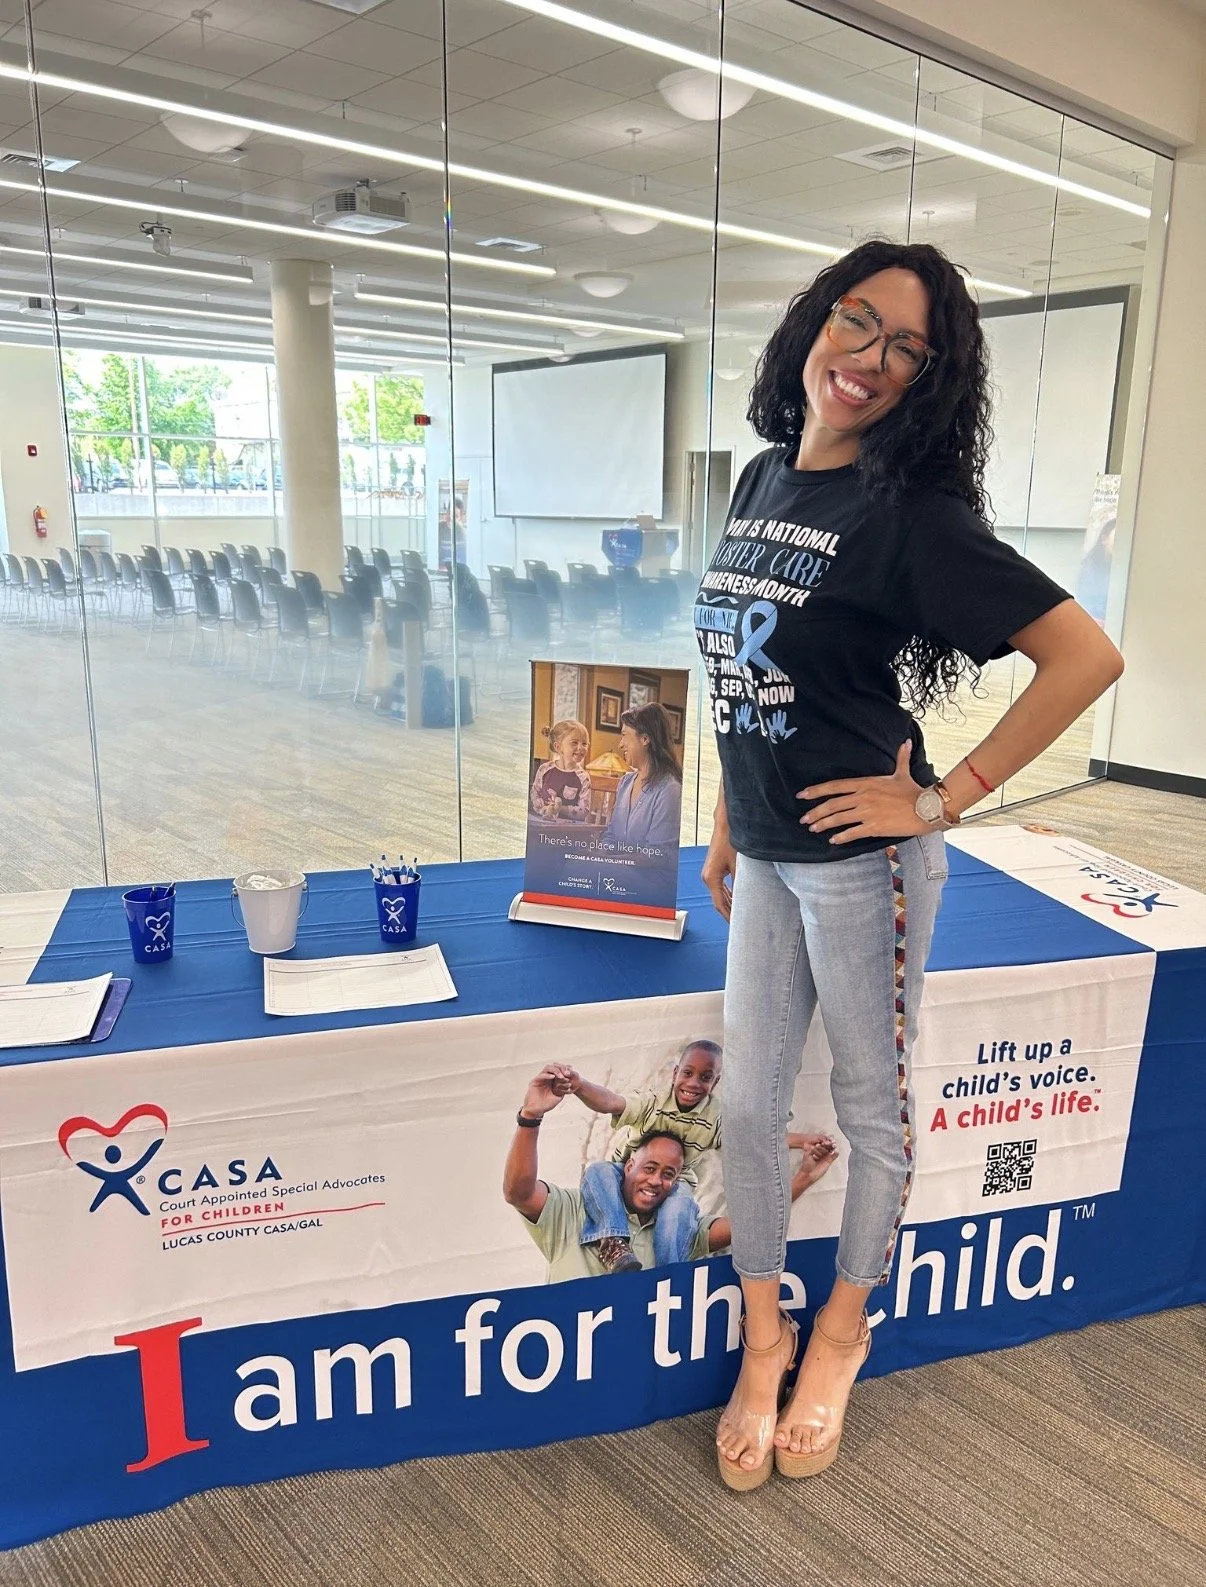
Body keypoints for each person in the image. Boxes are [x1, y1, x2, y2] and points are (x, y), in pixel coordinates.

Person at [695, 239, 1125, 1490]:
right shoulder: (763, 477)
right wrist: (730, 813)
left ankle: (840, 1334)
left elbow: (1085, 659)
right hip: (769, 853)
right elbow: (745, 671)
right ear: (816, 325)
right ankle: (762, 1337)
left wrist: (945, 799)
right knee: (748, 1106)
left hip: (864, 863)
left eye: (907, 350)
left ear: (927, 382)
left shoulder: (909, 515)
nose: (870, 359)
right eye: (857, 321)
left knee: (871, 1112)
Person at [503, 1065, 836, 1283]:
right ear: (628, 1165)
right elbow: (518, 1192)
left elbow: (751, 1225)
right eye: (649, 1168)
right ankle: (613, 1244)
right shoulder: (572, 1210)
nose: (656, 1181)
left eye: (668, 1174)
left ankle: (669, 1279)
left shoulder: (677, 1227)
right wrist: (530, 1116)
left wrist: (804, 1176)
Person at [562, 1039, 725, 1272]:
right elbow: (612, 1102)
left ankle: (671, 1272)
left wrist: (793, 1141)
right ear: (675, 1073)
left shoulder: (715, 1117)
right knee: (598, 1171)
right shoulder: (654, 1101)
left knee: (679, 1208)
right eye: (687, 1073)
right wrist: (579, 1086)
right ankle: (614, 1243)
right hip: (629, 1169)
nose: (693, 1083)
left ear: (716, 1081)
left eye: (705, 1077)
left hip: (676, 1181)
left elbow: (748, 1144)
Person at [602, 704, 682, 850]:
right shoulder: (625, 782)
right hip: (617, 866)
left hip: (647, 872)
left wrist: (613, 861)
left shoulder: (670, 789)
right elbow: (611, 835)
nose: (620, 744)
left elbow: (657, 854)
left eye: (624, 735)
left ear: (645, 739)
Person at [529, 719, 592, 819]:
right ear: (558, 747)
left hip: (567, 830)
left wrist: (560, 808)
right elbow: (534, 792)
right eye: (574, 742)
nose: (580, 747)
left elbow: (584, 811)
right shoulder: (544, 769)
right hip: (542, 822)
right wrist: (537, 802)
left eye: (584, 744)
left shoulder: (583, 777)